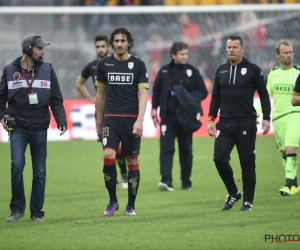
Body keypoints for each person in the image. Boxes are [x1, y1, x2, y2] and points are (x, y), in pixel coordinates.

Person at [0, 34, 67, 222]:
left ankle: (37, 212)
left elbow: (56, 98)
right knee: (17, 165)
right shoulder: (9, 70)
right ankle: (17, 210)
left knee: (39, 171)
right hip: (18, 127)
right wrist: (2, 115)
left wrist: (60, 118)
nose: (43, 51)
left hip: (39, 126)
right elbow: (0, 97)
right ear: (29, 49)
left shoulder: (48, 69)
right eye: (39, 48)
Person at [207, 35, 271, 211]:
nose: (231, 50)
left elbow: (264, 95)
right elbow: (216, 97)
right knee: (219, 158)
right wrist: (211, 119)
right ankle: (234, 192)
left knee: (247, 163)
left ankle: (248, 201)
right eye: (229, 47)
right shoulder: (220, 70)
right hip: (225, 123)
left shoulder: (253, 70)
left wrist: (266, 117)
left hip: (246, 123)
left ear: (242, 49)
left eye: (235, 47)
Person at [95, 27, 149, 216]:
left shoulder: (139, 64)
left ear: (129, 43)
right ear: (112, 44)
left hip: (131, 119)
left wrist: (140, 120)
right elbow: (100, 95)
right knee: (109, 154)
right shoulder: (104, 65)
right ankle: (112, 201)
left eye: (122, 41)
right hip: (111, 119)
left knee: (132, 159)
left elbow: (143, 94)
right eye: (116, 41)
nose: (119, 44)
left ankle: (131, 206)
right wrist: (98, 123)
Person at [151, 41, 208, 191]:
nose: (185, 57)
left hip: (186, 118)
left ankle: (186, 182)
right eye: (182, 54)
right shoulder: (164, 72)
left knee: (186, 150)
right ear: (173, 55)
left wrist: (192, 100)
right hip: (168, 117)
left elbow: (203, 91)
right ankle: (166, 181)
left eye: (186, 54)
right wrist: (154, 110)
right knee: (166, 149)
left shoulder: (193, 71)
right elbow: (156, 92)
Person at [75, 35, 128, 189]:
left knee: (119, 148)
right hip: (101, 112)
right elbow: (78, 84)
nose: (100, 49)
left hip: (118, 111)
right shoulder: (92, 67)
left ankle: (124, 173)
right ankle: (115, 180)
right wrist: (91, 98)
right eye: (97, 47)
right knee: (107, 148)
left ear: (109, 47)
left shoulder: (116, 64)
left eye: (103, 46)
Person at [262, 39, 300, 196]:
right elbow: (265, 95)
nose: (289, 55)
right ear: (278, 55)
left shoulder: (298, 73)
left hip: (295, 115)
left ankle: (289, 185)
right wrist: (257, 111)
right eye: (285, 52)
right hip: (278, 118)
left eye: (291, 52)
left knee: (291, 147)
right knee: (284, 153)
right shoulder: (273, 74)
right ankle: (295, 183)